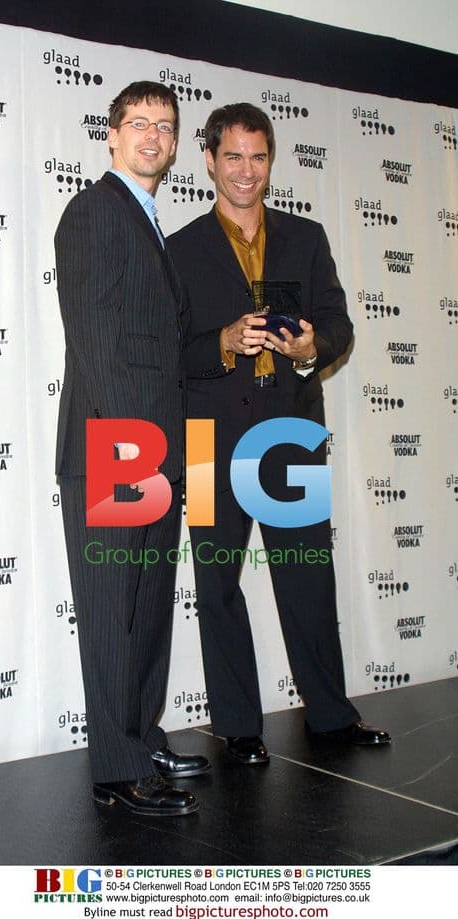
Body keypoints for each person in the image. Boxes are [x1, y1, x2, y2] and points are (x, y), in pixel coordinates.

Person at [168, 103, 390, 765]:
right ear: (209, 160)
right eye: (232, 156)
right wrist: (226, 342)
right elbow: (174, 352)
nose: (245, 171)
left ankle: (329, 716)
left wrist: (310, 347)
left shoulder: (306, 237)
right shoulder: (179, 250)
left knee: (307, 578)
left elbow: (339, 327)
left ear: (271, 162)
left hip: (290, 433)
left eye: (257, 157)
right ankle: (238, 726)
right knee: (217, 585)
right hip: (210, 441)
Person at [54, 81, 209, 816]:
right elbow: (97, 342)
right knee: (113, 614)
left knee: (147, 612)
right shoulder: (94, 213)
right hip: (117, 451)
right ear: (111, 135)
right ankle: (116, 771)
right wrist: (135, 453)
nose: (153, 135)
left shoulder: (147, 222)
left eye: (166, 126)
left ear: (176, 146)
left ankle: (142, 735)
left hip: (157, 452)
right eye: (138, 123)